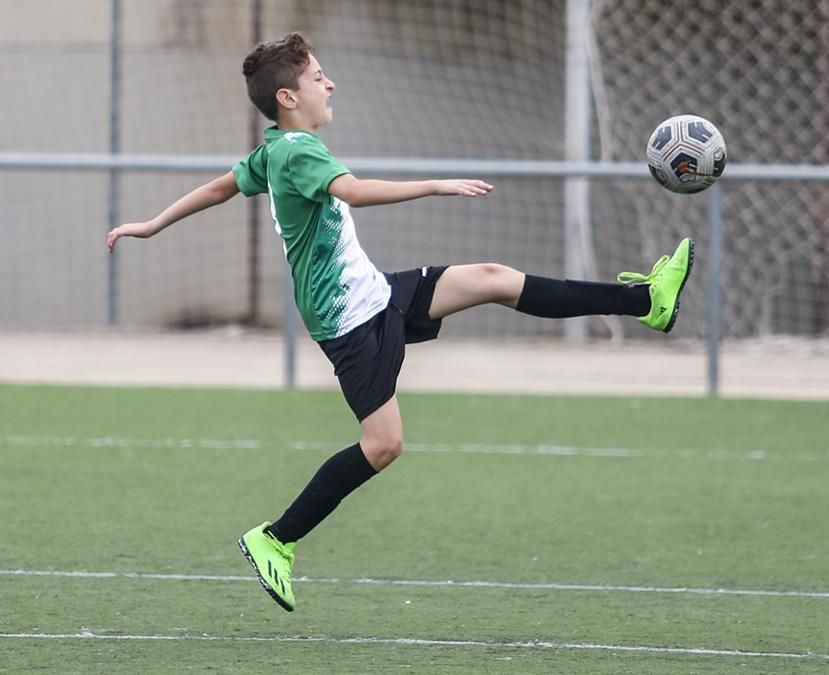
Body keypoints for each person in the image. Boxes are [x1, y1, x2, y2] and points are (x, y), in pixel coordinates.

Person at [106, 32, 694, 612]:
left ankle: (645, 301)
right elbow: (355, 192)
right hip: (349, 322)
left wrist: (152, 224)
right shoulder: (297, 151)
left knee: (492, 278)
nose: (330, 84)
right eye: (317, 78)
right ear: (287, 98)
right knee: (384, 445)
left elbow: (219, 188)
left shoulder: (275, 150)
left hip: (375, 295)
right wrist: (434, 185)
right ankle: (276, 539)